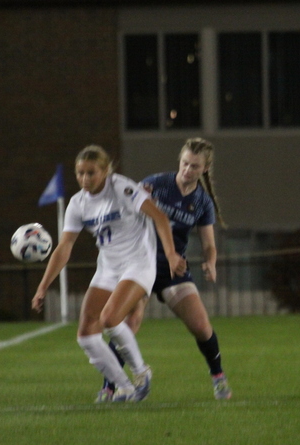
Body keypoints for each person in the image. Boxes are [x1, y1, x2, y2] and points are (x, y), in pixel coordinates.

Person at [31, 144, 186, 402]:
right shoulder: (78, 203)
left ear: (105, 171)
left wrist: (170, 254)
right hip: (109, 267)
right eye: (80, 173)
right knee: (86, 336)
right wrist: (43, 286)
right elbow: (64, 246)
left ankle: (141, 372)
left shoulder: (122, 188)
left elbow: (159, 218)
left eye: (91, 173)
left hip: (138, 262)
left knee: (110, 318)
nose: (84, 179)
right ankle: (124, 387)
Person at [98, 138, 232, 402]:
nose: (187, 170)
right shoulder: (156, 184)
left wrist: (210, 262)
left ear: (205, 169)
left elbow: (209, 244)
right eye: (185, 163)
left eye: (194, 166)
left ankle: (218, 376)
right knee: (129, 323)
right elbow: (125, 209)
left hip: (173, 270)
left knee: (201, 326)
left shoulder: (202, 202)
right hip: (140, 264)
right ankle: (109, 387)